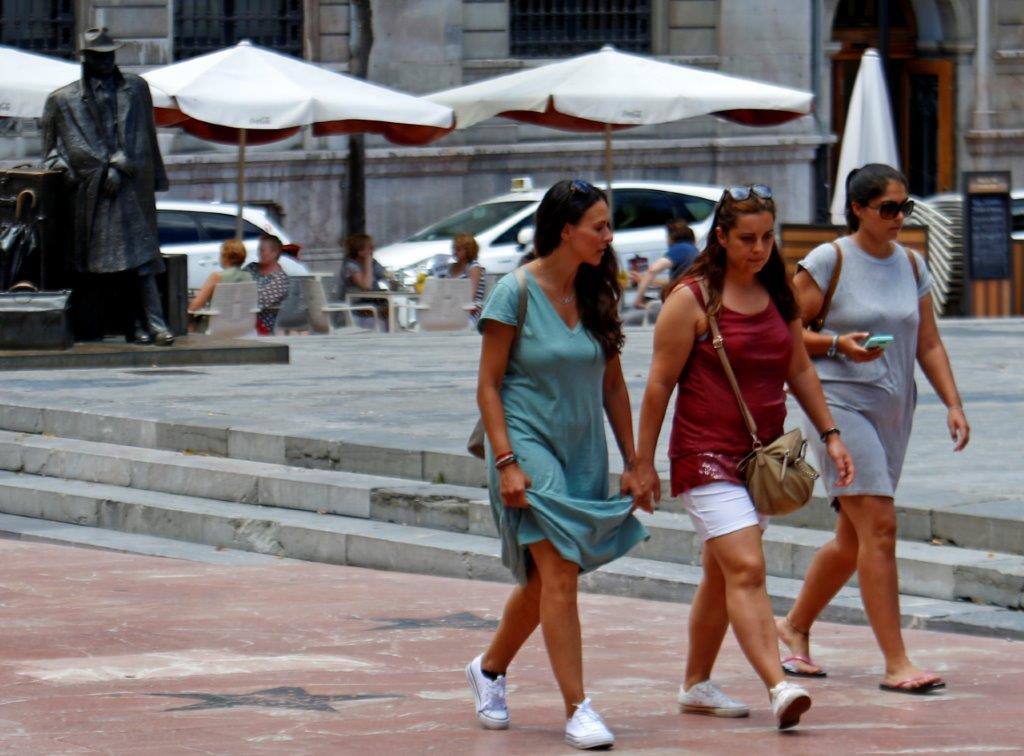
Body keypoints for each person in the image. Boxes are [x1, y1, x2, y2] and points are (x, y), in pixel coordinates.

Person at [633, 185, 854, 730]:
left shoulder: (777, 291)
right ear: (723, 237)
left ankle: (695, 684)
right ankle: (779, 686)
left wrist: (830, 433)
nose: (759, 249)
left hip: (761, 458)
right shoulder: (691, 298)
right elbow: (659, 385)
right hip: (704, 454)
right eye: (747, 239)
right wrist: (642, 463)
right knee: (748, 567)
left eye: (767, 238)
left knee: (720, 573)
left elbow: (798, 366)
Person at [468, 179, 650, 750]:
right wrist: (505, 461)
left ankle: (489, 669)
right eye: (598, 225)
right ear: (565, 230)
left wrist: (635, 460)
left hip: (582, 448)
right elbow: (489, 386)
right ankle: (579, 708)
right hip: (526, 443)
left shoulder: (598, 291)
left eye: (607, 224)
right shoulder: (513, 292)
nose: (607, 235)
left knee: (547, 577)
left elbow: (614, 384)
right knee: (562, 571)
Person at [778, 164, 970, 693]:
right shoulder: (830, 259)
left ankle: (793, 626)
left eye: (905, 207)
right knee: (880, 526)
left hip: (893, 409)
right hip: (838, 404)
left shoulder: (911, 263)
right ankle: (896, 662)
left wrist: (952, 403)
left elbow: (927, 341)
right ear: (858, 208)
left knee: (852, 537)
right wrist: (839, 344)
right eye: (888, 208)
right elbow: (785, 334)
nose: (899, 217)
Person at [41, 27, 173, 345]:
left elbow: (146, 137)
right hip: (90, 196)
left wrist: (130, 168)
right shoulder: (62, 100)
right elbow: (50, 154)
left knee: (142, 261)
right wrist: (81, 172)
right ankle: (127, 326)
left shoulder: (137, 89)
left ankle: (155, 325)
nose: (106, 61)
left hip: (129, 189)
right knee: (100, 268)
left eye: (109, 55)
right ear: (85, 59)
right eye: (99, 56)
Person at [633, 219, 699, 311]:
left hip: (682, 301)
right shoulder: (693, 250)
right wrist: (644, 280)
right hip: (693, 298)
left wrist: (638, 300)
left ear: (671, 236)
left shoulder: (680, 249)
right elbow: (674, 282)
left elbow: (653, 270)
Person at [187, 238, 253, 315]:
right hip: (244, 324)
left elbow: (196, 306)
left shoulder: (216, 277)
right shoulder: (248, 277)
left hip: (217, 325)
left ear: (225, 257)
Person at [435, 232, 487, 324]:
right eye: (454, 248)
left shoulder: (474, 268)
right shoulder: (451, 267)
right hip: (450, 309)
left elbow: (470, 297)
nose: (454, 252)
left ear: (468, 250)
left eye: (458, 249)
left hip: (469, 311)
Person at [340, 233, 388, 331]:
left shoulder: (373, 263)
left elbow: (386, 276)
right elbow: (366, 286)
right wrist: (368, 263)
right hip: (357, 306)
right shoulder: (350, 265)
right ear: (359, 251)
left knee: (392, 308)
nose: (372, 251)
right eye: (369, 248)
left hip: (374, 302)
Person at [244, 234, 290, 335]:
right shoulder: (251, 268)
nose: (259, 253)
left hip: (260, 326)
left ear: (274, 253)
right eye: (259, 250)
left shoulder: (280, 280)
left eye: (262, 250)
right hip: (240, 317)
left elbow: (257, 301)